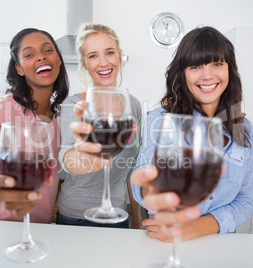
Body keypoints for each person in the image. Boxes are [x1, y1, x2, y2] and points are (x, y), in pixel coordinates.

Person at [131, 26, 253, 242]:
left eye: (217, 63)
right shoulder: (161, 120)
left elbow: (246, 200)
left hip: (221, 242)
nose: (207, 75)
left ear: (229, 70)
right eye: (196, 66)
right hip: (167, 239)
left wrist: (198, 227)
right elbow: (143, 181)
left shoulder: (244, 129)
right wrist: (150, 193)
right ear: (182, 73)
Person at [0, 28, 69, 223]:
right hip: (6, 229)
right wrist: (1, 188)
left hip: (43, 228)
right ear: (19, 69)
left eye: (48, 50)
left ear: (58, 59)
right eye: (30, 54)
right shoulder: (5, 107)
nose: (41, 57)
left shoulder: (59, 114)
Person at [56, 23, 142, 228]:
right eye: (93, 55)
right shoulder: (73, 105)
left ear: (119, 55)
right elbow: (67, 158)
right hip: (75, 216)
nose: (103, 62)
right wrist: (83, 158)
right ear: (84, 63)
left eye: (109, 52)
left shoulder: (133, 105)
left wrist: (137, 219)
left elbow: (132, 169)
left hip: (119, 214)